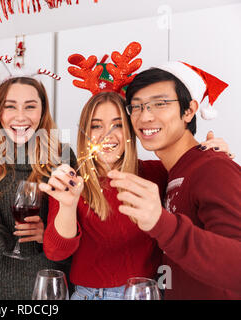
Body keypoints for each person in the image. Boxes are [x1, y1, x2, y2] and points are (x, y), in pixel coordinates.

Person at [40, 46, 233, 300]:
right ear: (85, 132)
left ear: (130, 130)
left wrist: (211, 152)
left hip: (142, 293)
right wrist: (68, 205)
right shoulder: (72, 181)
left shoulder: (156, 173)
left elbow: (193, 171)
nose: (107, 135)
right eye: (96, 125)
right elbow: (56, 253)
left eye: (118, 125)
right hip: (87, 295)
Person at [108, 62, 241, 299]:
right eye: (136, 107)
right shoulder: (171, 172)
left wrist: (161, 222)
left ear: (189, 110)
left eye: (160, 104)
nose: (145, 116)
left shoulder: (213, 168)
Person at [0, 76, 73, 299]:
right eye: (10, 106)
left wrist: (47, 235)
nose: (20, 116)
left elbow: (74, 226)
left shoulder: (62, 157)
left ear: (42, 111)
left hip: (48, 287)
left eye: (30, 106)